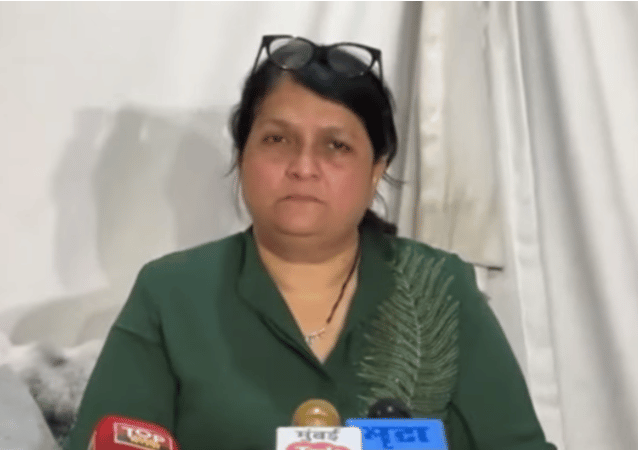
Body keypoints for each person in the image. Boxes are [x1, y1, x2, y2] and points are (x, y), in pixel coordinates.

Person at [65, 35, 556, 450]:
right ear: (242, 155)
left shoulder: (439, 288)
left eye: (336, 146)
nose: (303, 167)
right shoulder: (172, 294)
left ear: (376, 170)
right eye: (277, 140)